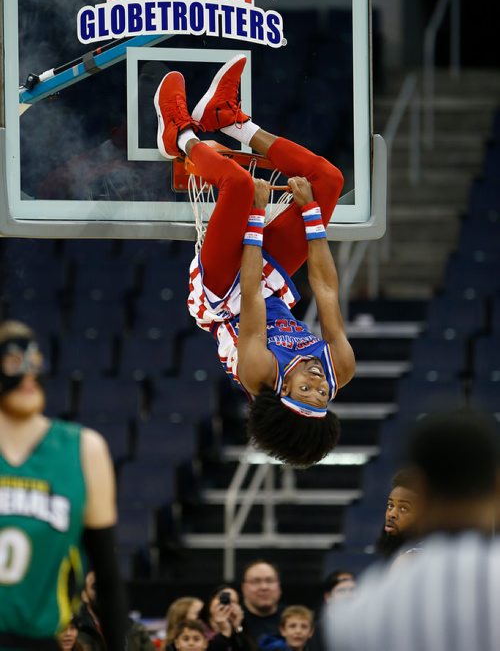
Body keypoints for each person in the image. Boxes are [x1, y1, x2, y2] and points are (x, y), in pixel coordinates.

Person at [154, 54, 355, 468]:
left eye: (306, 393)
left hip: (226, 291)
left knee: (240, 184)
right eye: (322, 397)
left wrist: (257, 217)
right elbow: (327, 290)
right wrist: (312, 215)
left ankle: (180, 135)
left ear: (282, 395)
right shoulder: (340, 369)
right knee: (329, 182)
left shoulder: (258, 371)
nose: (318, 386)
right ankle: (230, 120)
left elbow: (249, 296)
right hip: (268, 285)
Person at [327, 409, 500, 651]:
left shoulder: (353, 617)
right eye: (391, 505)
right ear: (497, 485)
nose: (393, 513)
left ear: (420, 487)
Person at [0, 320, 126, 650]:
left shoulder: (83, 449)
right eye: (13, 363)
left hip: (41, 640)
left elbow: (108, 579)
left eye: (34, 362)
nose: (28, 375)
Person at [374, 468, 421, 559]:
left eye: (403, 508)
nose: (392, 514)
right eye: (390, 505)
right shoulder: (400, 551)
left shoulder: (412, 558)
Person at [240, 560, 285, 647]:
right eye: (256, 581)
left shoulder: (295, 619)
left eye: (270, 581)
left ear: (279, 586)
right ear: (244, 588)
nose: (264, 587)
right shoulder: (232, 621)